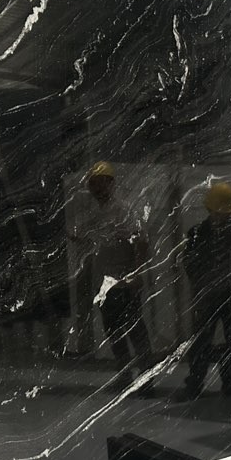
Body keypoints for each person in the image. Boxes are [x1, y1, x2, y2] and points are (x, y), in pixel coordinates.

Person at [72, 161, 154, 395]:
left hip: (123, 283)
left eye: (100, 183)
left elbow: (141, 243)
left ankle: (147, 381)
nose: (96, 189)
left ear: (111, 183)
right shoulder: (96, 214)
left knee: (136, 332)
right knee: (114, 332)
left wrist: (136, 274)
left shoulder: (123, 211)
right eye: (93, 184)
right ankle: (125, 377)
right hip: (104, 285)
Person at [180, 182, 231, 400]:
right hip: (209, 296)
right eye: (218, 211)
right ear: (210, 209)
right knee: (200, 343)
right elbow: (190, 264)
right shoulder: (197, 233)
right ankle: (195, 383)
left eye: (225, 212)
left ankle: (229, 382)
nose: (221, 216)